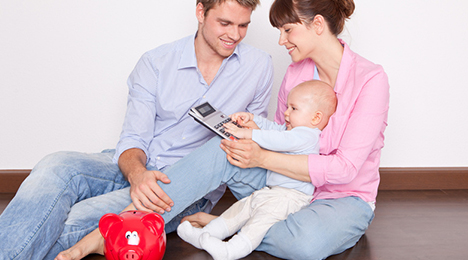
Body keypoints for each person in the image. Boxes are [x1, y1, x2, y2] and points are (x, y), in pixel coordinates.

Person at [55, 0, 390, 259]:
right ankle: (118, 229)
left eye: (288, 30)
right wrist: (251, 130)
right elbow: (283, 138)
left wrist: (260, 156)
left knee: (306, 244)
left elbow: (345, 169)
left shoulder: (370, 79)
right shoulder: (296, 74)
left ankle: (224, 224)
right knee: (224, 147)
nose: (280, 39)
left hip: (342, 197)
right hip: (283, 186)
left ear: (317, 25)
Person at [0, 0, 273, 259]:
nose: (234, 35)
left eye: (243, 25)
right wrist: (137, 174)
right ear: (200, 12)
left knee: (76, 218)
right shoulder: (156, 62)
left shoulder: (258, 66)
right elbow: (134, 137)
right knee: (54, 165)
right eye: (225, 23)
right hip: (137, 162)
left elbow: (253, 143)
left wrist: (247, 131)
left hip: (184, 185)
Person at [177, 80, 337, 260]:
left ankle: (231, 250)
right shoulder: (291, 131)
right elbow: (275, 130)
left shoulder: (308, 136)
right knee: (240, 210)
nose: (286, 112)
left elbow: (278, 140)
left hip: (290, 198)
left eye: (293, 108)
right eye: (287, 107)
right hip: (273, 193)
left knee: (259, 224)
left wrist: (247, 134)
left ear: (315, 118)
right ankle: (205, 235)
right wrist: (253, 120)